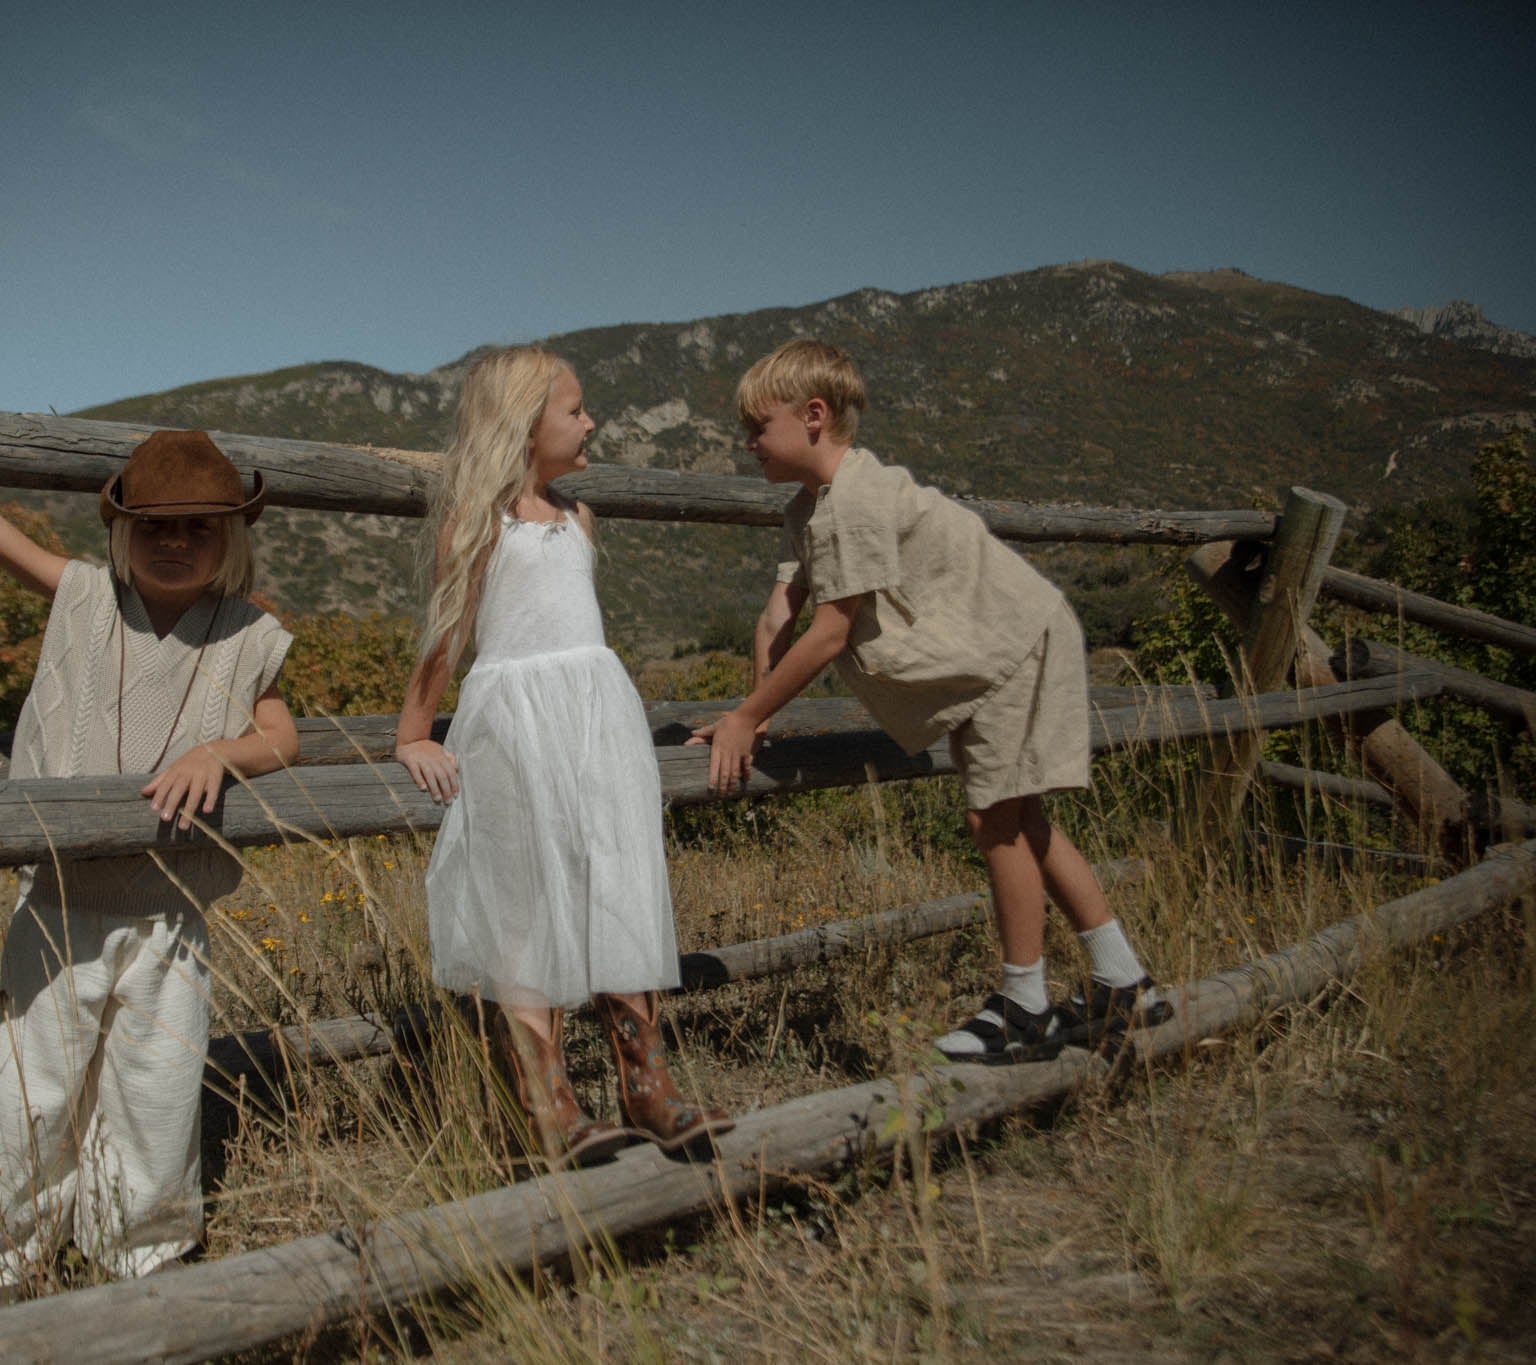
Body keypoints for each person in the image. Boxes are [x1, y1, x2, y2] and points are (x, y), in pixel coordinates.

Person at [0, 372, 298, 1292]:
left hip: (170, 913)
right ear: (121, 529)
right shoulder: (81, 595)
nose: (177, 540)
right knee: (29, 1086)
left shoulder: (248, 630)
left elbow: (283, 736)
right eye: (155, 524)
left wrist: (221, 753)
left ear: (231, 533)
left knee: (154, 1093)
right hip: (60, 902)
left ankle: (138, 1248)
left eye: (198, 525)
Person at [691, 340, 1169, 1065]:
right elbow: (775, 619)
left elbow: (828, 632)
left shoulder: (855, 499)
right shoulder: (810, 508)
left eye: (758, 425)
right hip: (994, 655)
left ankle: (1022, 1005)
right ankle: (1122, 977)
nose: (747, 442)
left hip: (1012, 649)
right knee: (1023, 819)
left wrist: (748, 717)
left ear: (813, 416)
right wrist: (754, 713)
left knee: (994, 820)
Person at [392, 346, 730, 1165]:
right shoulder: (480, 521)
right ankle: (548, 1102)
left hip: (597, 717)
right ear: (523, 425)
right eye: (575, 411)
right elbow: (448, 636)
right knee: (521, 900)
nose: (590, 423)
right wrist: (412, 732)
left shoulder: (579, 519)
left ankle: (646, 1081)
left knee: (617, 877)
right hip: (511, 722)